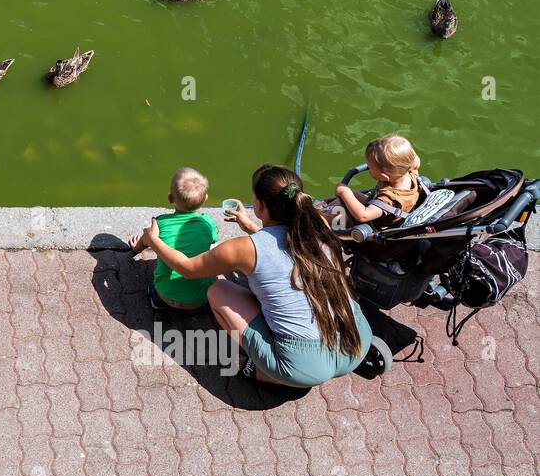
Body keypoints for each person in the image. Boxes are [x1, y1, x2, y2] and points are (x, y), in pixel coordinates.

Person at [137, 164, 372, 389]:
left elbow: (188, 268)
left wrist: (153, 240)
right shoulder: (317, 223)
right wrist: (251, 227)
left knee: (217, 291)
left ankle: (264, 373)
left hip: (304, 367)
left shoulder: (243, 248)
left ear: (258, 205)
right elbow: (286, 246)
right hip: (357, 341)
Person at [128, 166, 219, 311]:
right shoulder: (209, 224)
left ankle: (158, 299)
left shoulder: (159, 223)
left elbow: (147, 239)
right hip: (201, 298)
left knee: (157, 282)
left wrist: (136, 247)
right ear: (205, 199)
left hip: (166, 296)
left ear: (170, 198)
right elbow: (213, 241)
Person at [330, 134, 422, 229]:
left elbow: (363, 215)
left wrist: (344, 191)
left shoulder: (388, 199)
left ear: (384, 176)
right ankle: (324, 212)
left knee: (341, 207)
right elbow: (413, 158)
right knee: (351, 195)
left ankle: (321, 222)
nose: (368, 169)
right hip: (382, 208)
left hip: (373, 223)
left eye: (370, 168)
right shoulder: (410, 171)